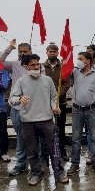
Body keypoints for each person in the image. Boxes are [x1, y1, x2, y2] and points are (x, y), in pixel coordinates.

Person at [9, 54, 69, 186]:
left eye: (38, 64)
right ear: (26, 66)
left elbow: (54, 97)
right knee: (32, 151)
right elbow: (11, 99)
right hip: (28, 122)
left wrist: (55, 108)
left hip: (47, 121)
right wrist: (19, 99)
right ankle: (36, 173)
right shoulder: (21, 81)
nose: (36, 67)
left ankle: (58, 173)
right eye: (32, 65)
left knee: (54, 149)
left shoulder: (47, 80)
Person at [67, 52, 95, 176]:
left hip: (92, 110)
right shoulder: (74, 73)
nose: (78, 61)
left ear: (88, 61)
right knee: (76, 138)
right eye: (78, 58)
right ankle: (74, 164)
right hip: (77, 110)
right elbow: (64, 76)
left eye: (81, 59)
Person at [0, 39, 32, 176]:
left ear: (31, 52)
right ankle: (20, 164)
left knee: (32, 137)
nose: (22, 54)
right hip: (16, 107)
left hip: (32, 107)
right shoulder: (13, 65)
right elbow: (0, 60)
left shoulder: (36, 66)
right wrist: (10, 48)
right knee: (20, 136)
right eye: (20, 51)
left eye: (25, 51)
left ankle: (34, 164)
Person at [43, 43, 71, 161]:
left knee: (60, 128)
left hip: (61, 103)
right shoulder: (41, 67)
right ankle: (47, 152)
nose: (52, 53)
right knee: (46, 128)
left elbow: (67, 83)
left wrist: (57, 96)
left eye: (54, 51)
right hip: (45, 103)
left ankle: (62, 150)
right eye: (50, 51)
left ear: (58, 53)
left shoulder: (63, 66)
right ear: (47, 52)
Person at [0, 68, 10, 162]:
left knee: (2, 131)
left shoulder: (4, 72)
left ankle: (4, 152)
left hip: (1, 108)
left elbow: (5, 85)